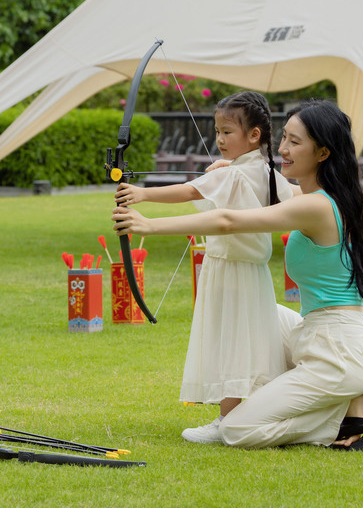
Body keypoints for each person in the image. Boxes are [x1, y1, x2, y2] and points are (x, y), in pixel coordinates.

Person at [113, 100, 363, 450]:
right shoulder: (311, 195)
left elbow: (229, 220)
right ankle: (348, 395)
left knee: (237, 431)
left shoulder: (315, 205)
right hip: (320, 333)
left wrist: (149, 225)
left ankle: (342, 418)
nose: (282, 149)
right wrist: (232, 169)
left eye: (295, 142)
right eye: (284, 138)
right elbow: (263, 186)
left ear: (322, 152)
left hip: (339, 350)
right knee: (251, 308)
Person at [116, 90, 295, 443]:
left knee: (231, 340)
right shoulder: (264, 171)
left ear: (253, 135)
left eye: (228, 132)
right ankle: (245, 413)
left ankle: (226, 420)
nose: (219, 139)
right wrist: (233, 165)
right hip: (252, 271)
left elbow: (189, 191)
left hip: (229, 267)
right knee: (245, 340)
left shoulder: (237, 175)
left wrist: (142, 194)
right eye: (217, 132)